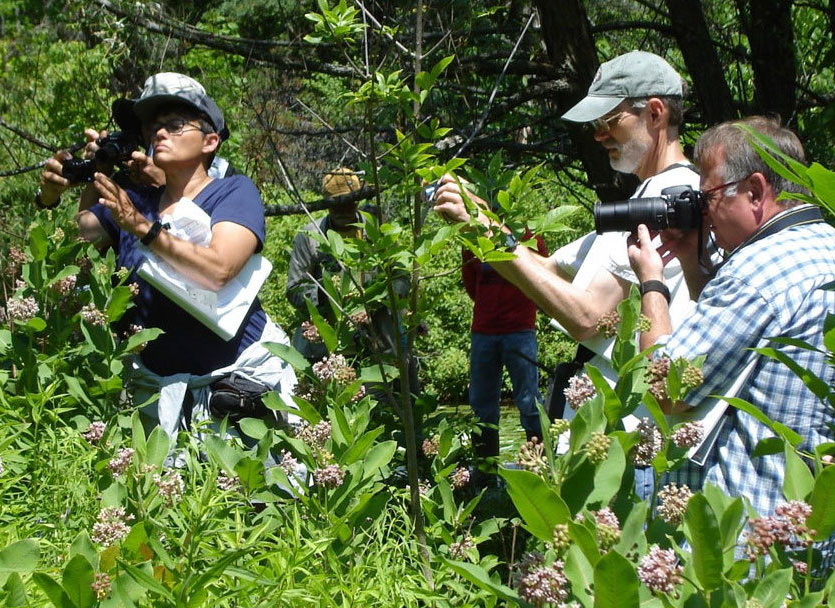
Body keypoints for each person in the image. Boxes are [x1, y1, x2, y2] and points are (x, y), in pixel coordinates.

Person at [626, 116, 835, 567]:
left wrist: (652, 284)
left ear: (756, 191)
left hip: (742, 544)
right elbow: (736, 347)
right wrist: (690, 260)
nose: (703, 211)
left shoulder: (759, 270)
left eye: (710, 197)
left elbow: (666, 387)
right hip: (808, 528)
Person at [432, 51, 701, 457]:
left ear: (656, 114)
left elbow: (587, 318)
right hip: (618, 436)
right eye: (595, 125)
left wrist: (484, 230)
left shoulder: (667, 203)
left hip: (629, 439)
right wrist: (481, 217)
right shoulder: (649, 198)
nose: (598, 136)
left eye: (608, 122)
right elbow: (543, 269)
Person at [38, 72, 295, 440]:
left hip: (237, 389)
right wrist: (69, 185)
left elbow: (220, 268)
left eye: (175, 125)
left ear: (210, 141)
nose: (159, 133)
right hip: (158, 397)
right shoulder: (135, 202)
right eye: (152, 127)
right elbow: (78, 237)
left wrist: (144, 229)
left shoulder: (231, 193)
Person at [285, 169, 418, 391]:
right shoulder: (310, 235)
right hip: (327, 349)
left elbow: (401, 278)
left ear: (357, 201)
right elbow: (294, 289)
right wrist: (330, 296)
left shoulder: (377, 229)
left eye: (348, 203)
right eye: (336, 204)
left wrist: (373, 303)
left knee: (383, 402)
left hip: (379, 343)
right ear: (326, 204)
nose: (342, 210)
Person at [461, 230, 548, 462]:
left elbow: (544, 277)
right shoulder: (473, 240)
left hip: (520, 331)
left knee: (529, 402)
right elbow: (471, 283)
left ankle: (539, 469)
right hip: (483, 332)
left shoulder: (530, 238)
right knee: (481, 405)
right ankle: (485, 476)